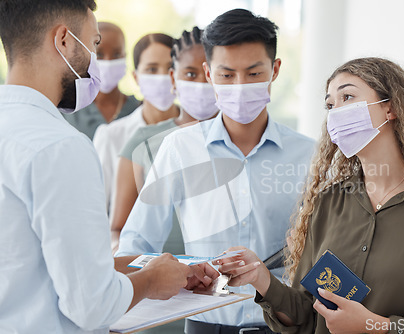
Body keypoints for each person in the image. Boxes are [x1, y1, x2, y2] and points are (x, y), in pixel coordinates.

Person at [215, 57, 404, 334]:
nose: (336, 111)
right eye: (330, 105)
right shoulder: (327, 202)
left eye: (347, 97)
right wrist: (261, 278)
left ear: (391, 108)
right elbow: (305, 317)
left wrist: (378, 327)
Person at [0, 1, 217, 333]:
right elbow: (91, 304)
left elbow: (29, 263)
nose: (95, 59)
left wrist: (140, 266)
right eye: (95, 44)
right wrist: (152, 280)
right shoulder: (61, 146)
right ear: (64, 40)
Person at [115, 9, 316, 334]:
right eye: (226, 75)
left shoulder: (310, 155)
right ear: (208, 73)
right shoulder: (179, 149)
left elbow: (320, 253)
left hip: (283, 324)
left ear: (275, 69)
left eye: (253, 74)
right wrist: (177, 271)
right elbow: (136, 242)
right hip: (203, 324)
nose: (240, 86)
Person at [109, 27, 216, 253]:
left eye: (209, 75)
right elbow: (118, 228)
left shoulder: (241, 141)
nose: (201, 84)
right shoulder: (143, 142)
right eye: (190, 74)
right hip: (163, 282)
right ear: (174, 78)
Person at [93, 32, 178, 215]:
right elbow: (97, 209)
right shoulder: (111, 136)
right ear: (136, 77)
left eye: (171, 68)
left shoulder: (199, 127)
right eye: (152, 69)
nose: (163, 77)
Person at [62, 21, 140, 140]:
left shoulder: (138, 109)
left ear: (125, 56)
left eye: (117, 54)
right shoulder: (69, 112)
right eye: (100, 54)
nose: (108, 61)